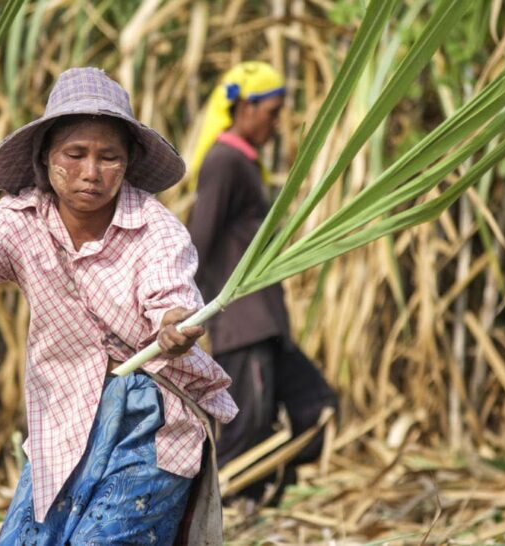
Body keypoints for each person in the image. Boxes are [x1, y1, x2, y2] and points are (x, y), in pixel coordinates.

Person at [0, 67, 237, 545]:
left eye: (109, 158)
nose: (91, 172)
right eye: (75, 154)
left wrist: (174, 327)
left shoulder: (155, 228)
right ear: (46, 157)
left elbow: (172, 300)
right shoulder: (16, 222)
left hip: (150, 416)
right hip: (61, 417)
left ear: (127, 164)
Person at [187, 61, 338, 502]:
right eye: (271, 112)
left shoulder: (243, 163)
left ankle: (262, 492)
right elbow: (197, 242)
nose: (276, 122)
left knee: (316, 406)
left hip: (266, 321)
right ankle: (220, 507)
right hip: (242, 323)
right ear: (245, 108)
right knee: (245, 428)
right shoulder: (224, 160)